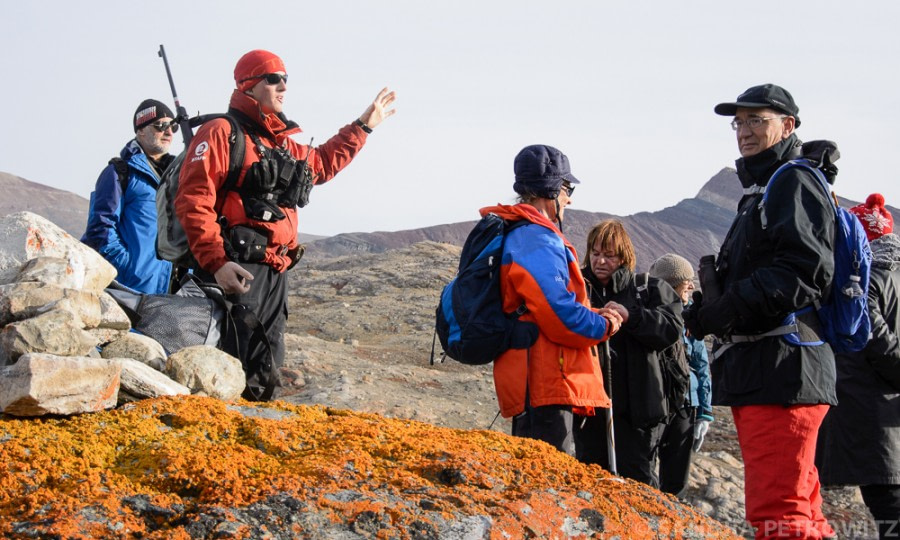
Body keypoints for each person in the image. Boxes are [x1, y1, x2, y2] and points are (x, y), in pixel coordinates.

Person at [175, 49, 397, 398]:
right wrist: (216, 263)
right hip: (236, 270)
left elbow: (320, 164)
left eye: (285, 79)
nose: (283, 86)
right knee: (229, 370)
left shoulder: (278, 143)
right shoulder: (221, 132)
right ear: (249, 85)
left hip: (275, 272)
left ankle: (256, 440)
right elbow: (194, 200)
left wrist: (363, 126)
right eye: (273, 79)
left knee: (265, 369)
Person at [684, 84, 837, 539]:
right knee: (803, 511)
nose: (745, 131)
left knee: (779, 516)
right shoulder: (768, 187)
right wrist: (707, 308)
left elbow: (806, 270)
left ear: (787, 126)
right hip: (782, 371)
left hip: (782, 372)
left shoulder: (792, 180)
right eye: (739, 122)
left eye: (757, 120)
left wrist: (727, 307)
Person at [484, 144, 624, 456]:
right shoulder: (536, 238)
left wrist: (588, 312)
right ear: (552, 190)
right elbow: (559, 315)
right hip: (546, 382)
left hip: (536, 380)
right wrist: (605, 324)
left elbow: (543, 304)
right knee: (547, 486)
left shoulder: (519, 232)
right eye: (567, 188)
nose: (569, 198)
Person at [577, 220, 684, 487]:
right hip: (588, 412)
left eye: (609, 255)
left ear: (624, 256)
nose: (600, 261)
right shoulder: (577, 289)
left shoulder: (647, 288)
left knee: (640, 483)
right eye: (595, 253)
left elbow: (671, 329)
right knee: (591, 482)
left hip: (638, 414)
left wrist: (632, 317)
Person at [817, 193, 899, 540]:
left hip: (870, 411)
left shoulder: (862, 283)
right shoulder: (895, 276)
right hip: (887, 412)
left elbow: (870, 334)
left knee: (889, 509)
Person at [82, 99, 176, 294]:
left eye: (173, 126)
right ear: (140, 130)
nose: (168, 132)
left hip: (172, 289)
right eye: (161, 126)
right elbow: (101, 228)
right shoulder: (119, 173)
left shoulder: (179, 176)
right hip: (129, 288)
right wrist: (128, 268)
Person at [648, 253, 713, 497]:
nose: (692, 288)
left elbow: (700, 366)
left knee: (676, 480)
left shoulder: (689, 319)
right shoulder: (650, 317)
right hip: (655, 403)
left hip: (686, 405)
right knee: (647, 473)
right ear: (672, 285)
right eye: (687, 284)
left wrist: (704, 412)